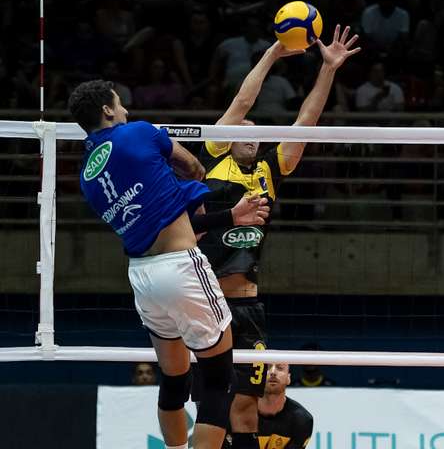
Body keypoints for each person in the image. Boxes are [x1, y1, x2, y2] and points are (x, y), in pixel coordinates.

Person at [69, 80, 271, 449]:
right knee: (218, 379)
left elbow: (157, 210)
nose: (126, 110)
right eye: (120, 104)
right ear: (107, 111)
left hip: (142, 278)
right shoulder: (139, 132)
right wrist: (195, 188)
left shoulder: (87, 177)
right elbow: (193, 165)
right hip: (181, 267)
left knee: (175, 379)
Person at [195, 25, 360, 449]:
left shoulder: (269, 170)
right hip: (205, 297)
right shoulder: (214, 155)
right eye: (242, 128)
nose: (250, 130)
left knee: (245, 409)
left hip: (248, 304)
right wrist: (273, 52)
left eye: (256, 129)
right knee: (213, 403)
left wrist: (327, 70)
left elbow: (306, 122)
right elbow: (243, 101)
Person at [254, 363, 314, 448]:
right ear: (257, 376)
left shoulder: (302, 420)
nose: (273, 372)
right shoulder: (238, 413)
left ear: (288, 378)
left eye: (280, 368)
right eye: (267, 367)